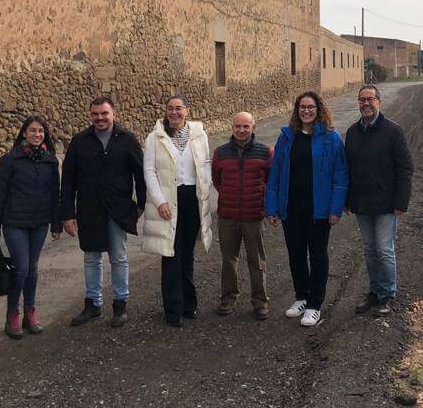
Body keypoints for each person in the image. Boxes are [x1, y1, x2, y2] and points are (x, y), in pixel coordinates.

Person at [60, 96, 146, 328]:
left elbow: (141, 174)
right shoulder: (79, 142)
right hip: (89, 209)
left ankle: (120, 305)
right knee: (91, 257)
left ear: (114, 114)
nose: (100, 118)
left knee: (119, 256)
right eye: (95, 114)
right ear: (91, 116)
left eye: (104, 113)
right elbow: (67, 180)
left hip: (118, 208)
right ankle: (93, 305)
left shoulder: (127, 140)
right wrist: (67, 213)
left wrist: (141, 205)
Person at [266, 91, 348, 327]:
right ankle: (301, 297)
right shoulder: (287, 137)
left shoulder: (331, 138)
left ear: (319, 108)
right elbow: (276, 174)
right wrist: (271, 207)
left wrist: (336, 208)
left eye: (310, 107)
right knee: (296, 255)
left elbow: (340, 175)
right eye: (302, 107)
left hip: (319, 209)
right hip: (291, 208)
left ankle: (314, 305)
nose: (306, 111)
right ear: (297, 110)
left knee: (318, 255)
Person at [141, 94, 215, 327]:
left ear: (187, 110)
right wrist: (159, 201)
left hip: (191, 199)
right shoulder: (155, 138)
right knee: (170, 253)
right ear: (165, 111)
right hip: (167, 201)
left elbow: (205, 166)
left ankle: (188, 305)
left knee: (187, 253)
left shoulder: (199, 135)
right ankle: (172, 309)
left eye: (179, 108)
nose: (174, 112)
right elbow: (149, 171)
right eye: (170, 108)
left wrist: (206, 193)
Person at [0, 115, 62, 339]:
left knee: (33, 268)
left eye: (40, 131)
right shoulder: (11, 160)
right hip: (15, 222)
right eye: (32, 130)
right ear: (24, 133)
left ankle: (30, 311)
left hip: (39, 222)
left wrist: (56, 223)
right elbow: (0, 194)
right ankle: (12, 314)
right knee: (21, 268)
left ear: (45, 134)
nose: (37, 134)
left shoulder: (50, 161)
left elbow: (54, 195)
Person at [345, 85, 413, 317]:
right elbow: (348, 169)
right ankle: (374, 292)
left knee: (384, 250)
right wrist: (347, 199)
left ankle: (387, 295)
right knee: (369, 250)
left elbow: (405, 169)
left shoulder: (394, 131)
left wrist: (401, 202)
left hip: (386, 203)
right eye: (362, 100)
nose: (366, 104)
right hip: (362, 204)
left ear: (379, 102)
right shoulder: (353, 132)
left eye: (370, 99)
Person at [211, 111, 273, 319]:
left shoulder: (265, 152)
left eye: (246, 126)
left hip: (254, 215)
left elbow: (270, 182)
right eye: (237, 126)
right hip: (227, 216)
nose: (241, 130)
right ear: (232, 128)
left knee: (256, 261)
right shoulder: (220, 153)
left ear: (254, 128)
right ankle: (227, 298)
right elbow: (217, 181)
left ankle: (260, 301)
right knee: (229, 259)